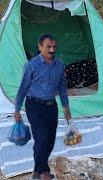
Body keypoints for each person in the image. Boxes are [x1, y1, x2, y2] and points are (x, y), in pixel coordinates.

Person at [14, 34, 71, 180]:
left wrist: (66, 107)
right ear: (40, 47)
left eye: (54, 47)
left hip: (51, 107)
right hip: (34, 106)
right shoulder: (31, 66)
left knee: (50, 140)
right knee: (42, 138)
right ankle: (40, 172)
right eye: (48, 47)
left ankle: (41, 171)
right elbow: (22, 88)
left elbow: (62, 87)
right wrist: (17, 109)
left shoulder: (59, 65)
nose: (52, 50)